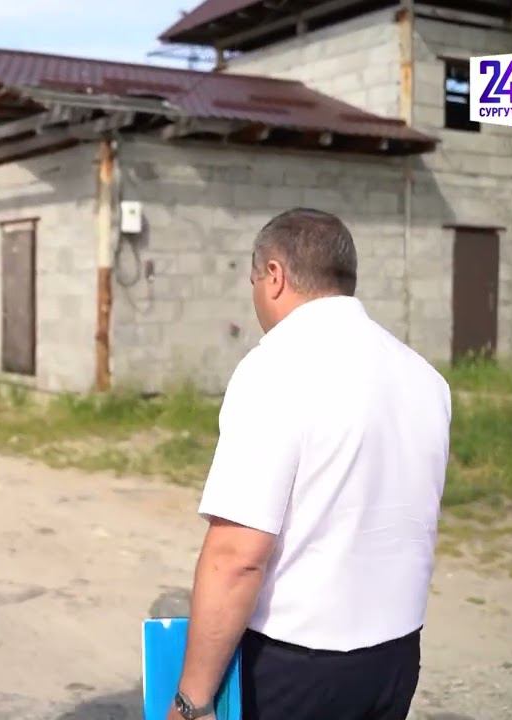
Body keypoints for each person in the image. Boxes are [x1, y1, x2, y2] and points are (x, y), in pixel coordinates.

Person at [166, 209, 451, 720]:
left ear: (274, 276)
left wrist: (191, 701)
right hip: (395, 658)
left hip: (296, 668)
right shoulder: (424, 377)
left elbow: (237, 556)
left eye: (254, 280)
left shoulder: (275, 368)